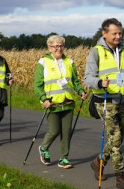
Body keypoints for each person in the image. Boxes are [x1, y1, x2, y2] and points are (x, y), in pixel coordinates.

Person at [83, 18, 124, 189]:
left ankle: (98, 163)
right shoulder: (96, 52)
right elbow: (88, 77)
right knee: (116, 137)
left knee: (116, 140)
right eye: (115, 33)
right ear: (104, 34)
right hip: (105, 100)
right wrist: (99, 83)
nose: (119, 36)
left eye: (120, 33)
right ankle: (121, 176)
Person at [33, 34, 88, 169]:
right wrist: (43, 98)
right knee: (54, 130)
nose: (58, 48)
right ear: (49, 48)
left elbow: (74, 81)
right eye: (55, 46)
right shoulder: (43, 62)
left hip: (68, 102)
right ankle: (44, 147)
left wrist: (81, 91)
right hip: (52, 103)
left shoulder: (69, 62)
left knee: (66, 132)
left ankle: (64, 158)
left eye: (61, 45)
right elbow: (37, 85)